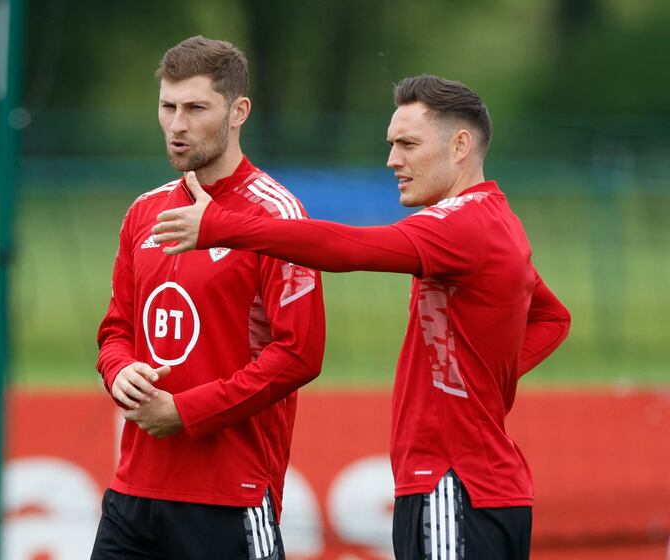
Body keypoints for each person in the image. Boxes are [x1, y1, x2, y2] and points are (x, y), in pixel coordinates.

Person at [153, 75, 572, 560]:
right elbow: (552, 317)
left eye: (408, 144)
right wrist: (476, 382)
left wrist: (222, 226)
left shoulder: (462, 226)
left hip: (452, 485)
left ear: (460, 145)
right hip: (481, 487)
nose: (393, 159)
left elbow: (348, 248)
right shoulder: (497, 219)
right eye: (392, 144)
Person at [91, 36, 326, 559]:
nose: (178, 124)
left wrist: (186, 411)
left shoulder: (276, 216)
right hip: (134, 493)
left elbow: (299, 355)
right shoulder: (143, 212)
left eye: (196, 108)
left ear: (238, 111)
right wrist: (119, 370)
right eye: (167, 106)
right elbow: (116, 330)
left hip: (230, 495)